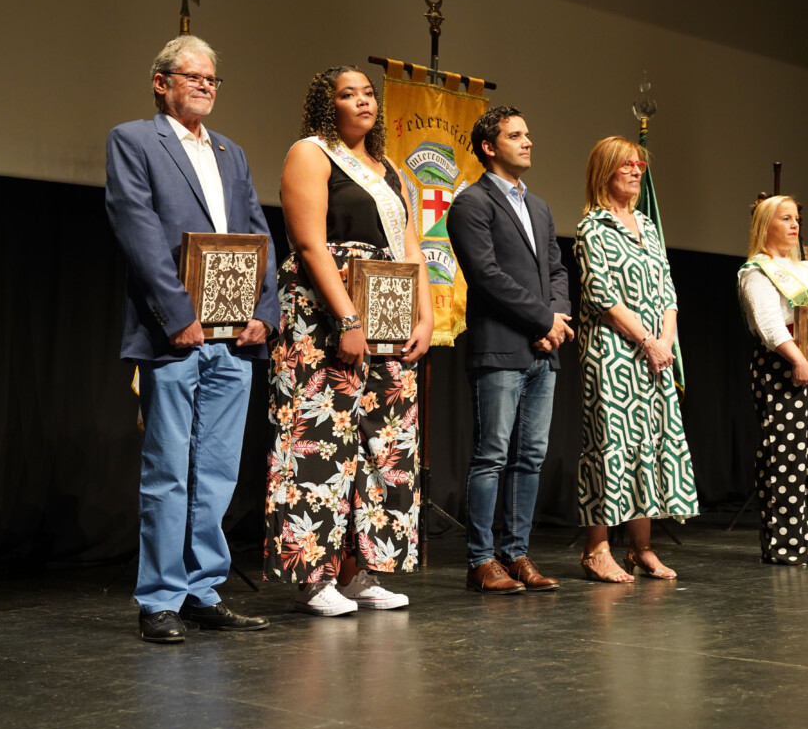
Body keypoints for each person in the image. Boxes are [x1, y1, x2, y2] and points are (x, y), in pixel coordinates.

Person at [105, 35, 277, 641]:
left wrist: (265, 308)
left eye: (212, 78)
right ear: (162, 82)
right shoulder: (133, 140)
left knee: (218, 472)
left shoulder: (231, 152)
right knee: (169, 470)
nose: (205, 85)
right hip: (173, 334)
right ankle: (159, 599)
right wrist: (177, 313)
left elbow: (259, 234)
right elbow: (139, 231)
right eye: (193, 76)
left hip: (234, 339)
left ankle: (204, 589)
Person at [265, 66, 432, 615]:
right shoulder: (311, 153)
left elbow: (411, 249)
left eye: (368, 93)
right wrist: (349, 319)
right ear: (327, 105)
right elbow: (310, 244)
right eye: (348, 94)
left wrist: (424, 317)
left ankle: (367, 571)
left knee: (385, 446)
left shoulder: (391, 172)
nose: (363, 101)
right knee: (318, 439)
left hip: (389, 314)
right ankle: (315, 577)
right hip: (325, 315)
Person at [445, 105, 571, 594]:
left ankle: (517, 554)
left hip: (544, 349)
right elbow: (487, 277)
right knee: (492, 454)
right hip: (500, 347)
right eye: (516, 135)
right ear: (488, 147)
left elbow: (557, 271)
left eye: (528, 133)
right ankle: (480, 560)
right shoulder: (471, 204)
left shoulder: (538, 207)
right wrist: (543, 319)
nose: (528, 141)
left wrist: (555, 322)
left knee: (531, 456)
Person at [574, 137, 697, 582]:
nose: (635, 171)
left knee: (651, 443)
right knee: (612, 447)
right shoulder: (594, 228)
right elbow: (601, 295)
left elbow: (667, 290)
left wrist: (664, 339)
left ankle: (640, 548)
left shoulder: (647, 225)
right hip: (613, 352)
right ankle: (597, 549)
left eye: (639, 164)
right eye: (626, 164)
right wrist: (647, 339)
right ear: (604, 170)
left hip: (655, 353)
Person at [737, 196, 808, 564]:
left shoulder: (807, 270)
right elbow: (769, 323)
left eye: (796, 218)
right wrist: (796, 359)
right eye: (784, 218)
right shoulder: (757, 271)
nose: (794, 225)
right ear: (764, 225)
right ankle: (783, 544)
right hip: (781, 365)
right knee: (785, 456)